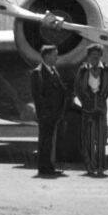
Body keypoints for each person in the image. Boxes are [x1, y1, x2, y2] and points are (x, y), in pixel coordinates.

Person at [74, 44, 108, 177]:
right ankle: (89, 166)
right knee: (87, 138)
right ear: (88, 57)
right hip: (87, 109)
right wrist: (85, 102)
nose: (95, 58)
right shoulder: (82, 70)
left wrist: (101, 99)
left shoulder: (106, 69)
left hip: (101, 109)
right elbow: (77, 88)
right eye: (92, 56)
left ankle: (100, 166)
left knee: (101, 138)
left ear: (100, 56)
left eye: (97, 55)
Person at [30, 44, 71, 177]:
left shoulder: (53, 70)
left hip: (55, 114)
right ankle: (44, 168)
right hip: (46, 115)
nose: (57, 57)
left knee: (50, 142)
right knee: (45, 142)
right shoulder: (38, 73)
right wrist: (44, 114)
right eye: (54, 54)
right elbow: (37, 96)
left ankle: (49, 166)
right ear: (46, 56)